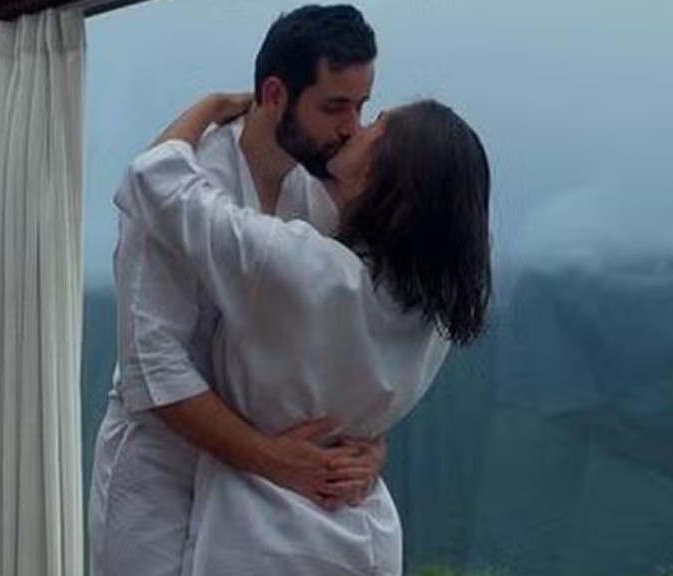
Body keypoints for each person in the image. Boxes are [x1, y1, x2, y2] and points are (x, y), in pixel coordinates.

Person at [116, 93, 492, 575]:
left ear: (386, 170)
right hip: (364, 531)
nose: (354, 128)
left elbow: (155, 180)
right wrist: (374, 448)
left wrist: (210, 107)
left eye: (375, 124)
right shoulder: (434, 313)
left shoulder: (301, 267)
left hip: (263, 537)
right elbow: (362, 404)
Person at [89, 6, 387, 576]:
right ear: (274, 94)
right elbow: (152, 363)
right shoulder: (180, 185)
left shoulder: (323, 197)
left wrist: (371, 448)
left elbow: (358, 344)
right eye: (334, 106)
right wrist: (269, 458)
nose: (352, 127)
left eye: (361, 106)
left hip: (271, 484)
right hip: (163, 470)